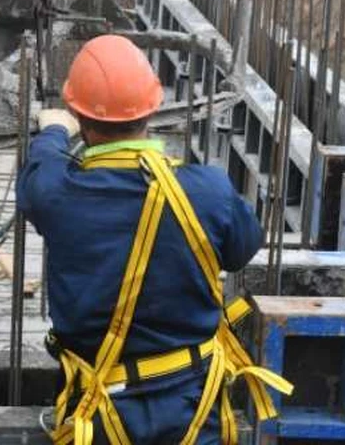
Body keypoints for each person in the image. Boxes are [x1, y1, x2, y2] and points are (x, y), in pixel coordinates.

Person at [17, 35, 291, 444]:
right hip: (192, 413)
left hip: (100, 415)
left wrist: (55, 130)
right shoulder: (207, 192)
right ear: (154, 107)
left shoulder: (56, 194)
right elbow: (242, 248)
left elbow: (43, 165)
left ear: (78, 112)